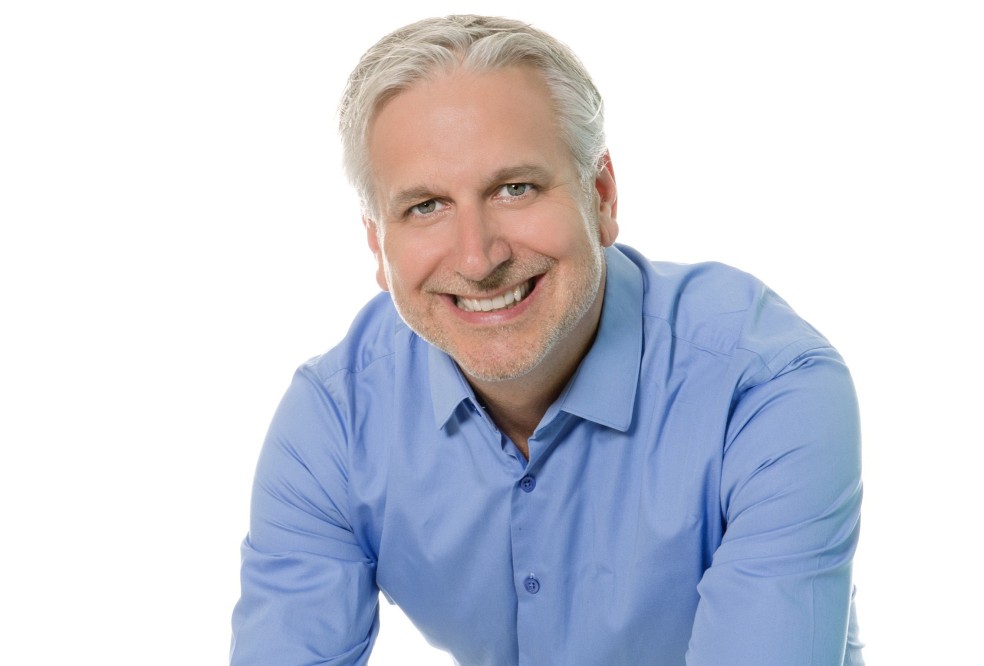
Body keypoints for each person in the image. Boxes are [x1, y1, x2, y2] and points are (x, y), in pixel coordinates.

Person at [230, 15, 864, 665]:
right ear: (376, 243)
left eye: (515, 188)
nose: (477, 259)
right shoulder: (336, 422)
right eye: (425, 206)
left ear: (601, 195)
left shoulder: (765, 387)